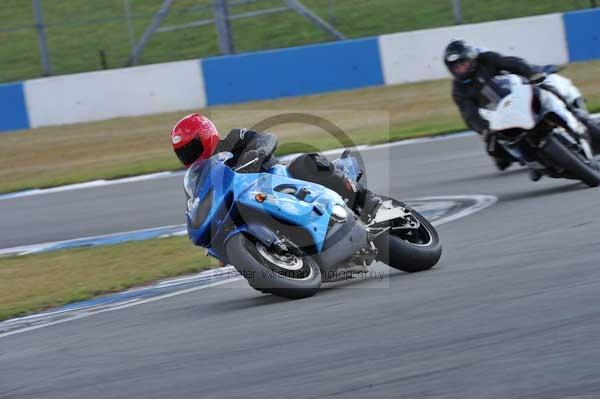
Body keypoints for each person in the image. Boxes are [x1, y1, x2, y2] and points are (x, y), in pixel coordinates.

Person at [170, 113, 381, 222]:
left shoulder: (234, 139)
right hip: (250, 204)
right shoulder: (198, 178)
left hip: (277, 179)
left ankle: (365, 198)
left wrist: (259, 153)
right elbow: (198, 206)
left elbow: (266, 138)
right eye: (183, 153)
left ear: (206, 136)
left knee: (305, 163)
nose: (189, 156)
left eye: (191, 148)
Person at [443, 39, 600, 173]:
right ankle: (534, 162)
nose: (459, 69)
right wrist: (483, 129)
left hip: (519, 95)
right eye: (455, 67)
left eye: (462, 63)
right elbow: (469, 115)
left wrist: (531, 74)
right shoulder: (459, 90)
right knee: (496, 153)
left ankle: (573, 112)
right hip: (501, 115)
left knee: (548, 89)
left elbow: (513, 63)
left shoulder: (487, 59)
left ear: (471, 58)